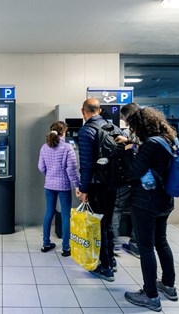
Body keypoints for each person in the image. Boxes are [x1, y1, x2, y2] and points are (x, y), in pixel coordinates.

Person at [123, 107, 179, 312]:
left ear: (140, 126)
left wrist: (129, 151)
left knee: (146, 248)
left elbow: (133, 172)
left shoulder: (150, 144)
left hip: (146, 202)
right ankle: (169, 286)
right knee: (161, 242)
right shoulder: (167, 140)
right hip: (165, 200)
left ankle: (150, 295)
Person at [78, 98, 120, 281]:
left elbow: (86, 164)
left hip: (97, 185)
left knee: (99, 225)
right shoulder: (113, 128)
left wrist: (83, 189)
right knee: (108, 222)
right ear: (100, 110)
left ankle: (105, 267)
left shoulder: (87, 130)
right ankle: (111, 259)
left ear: (83, 111)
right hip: (113, 183)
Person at [38, 121, 80, 256]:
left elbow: (41, 167)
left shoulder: (44, 147)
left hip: (49, 185)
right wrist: (77, 185)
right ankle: (66, 248)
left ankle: (46, 244)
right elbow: (71, 169)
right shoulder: (67, 147)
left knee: (49, 212)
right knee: (66, 215)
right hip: (64, 186)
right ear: (63, 132)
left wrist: (50, 175)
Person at [112, 102, 140, 259]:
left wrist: (127, 143)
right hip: (140, 179)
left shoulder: (134, 133)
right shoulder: (145, 130)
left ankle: (115, 242)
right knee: (136, 211)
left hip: (126, 177)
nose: (123, 120)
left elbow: (136, 149)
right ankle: (135, 243)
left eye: (123, 117)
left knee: (116, 208)